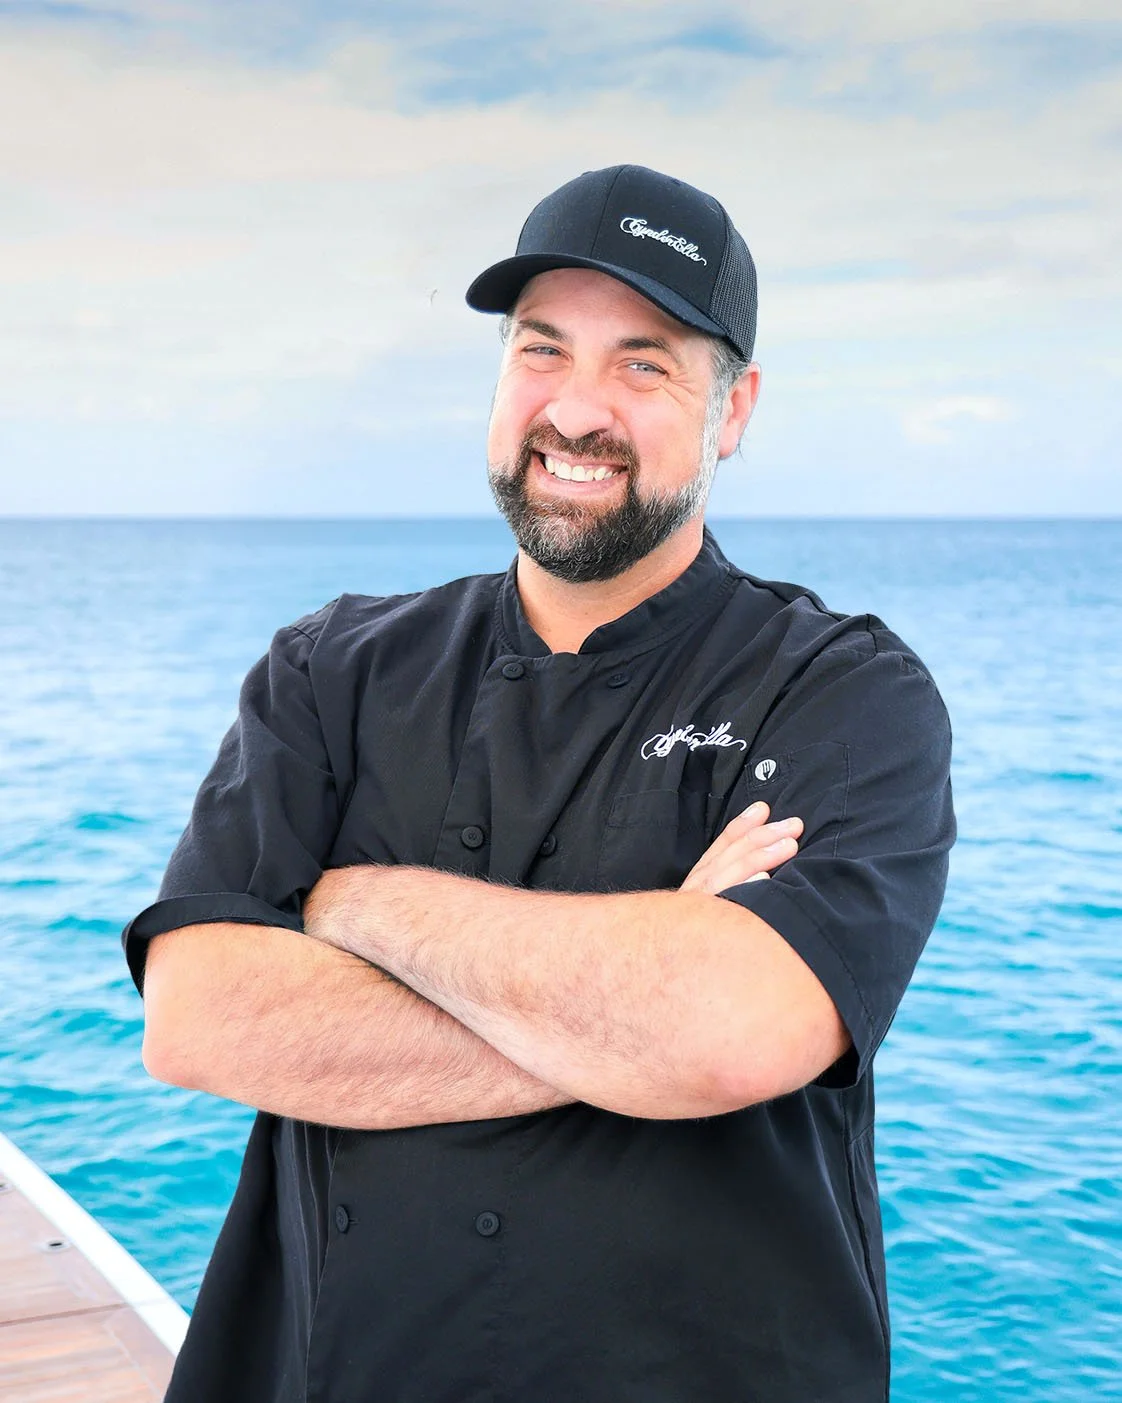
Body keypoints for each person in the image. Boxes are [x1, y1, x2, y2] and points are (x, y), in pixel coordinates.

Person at [125, 164, 955, 1402]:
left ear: (733, 409)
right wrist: (637, 1020)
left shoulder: (841, 690)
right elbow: (198, 1019)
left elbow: (736, 1028)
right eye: (541, 348)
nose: (575, 409)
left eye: (644, 364)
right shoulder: (329, 669)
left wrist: (355, 905)